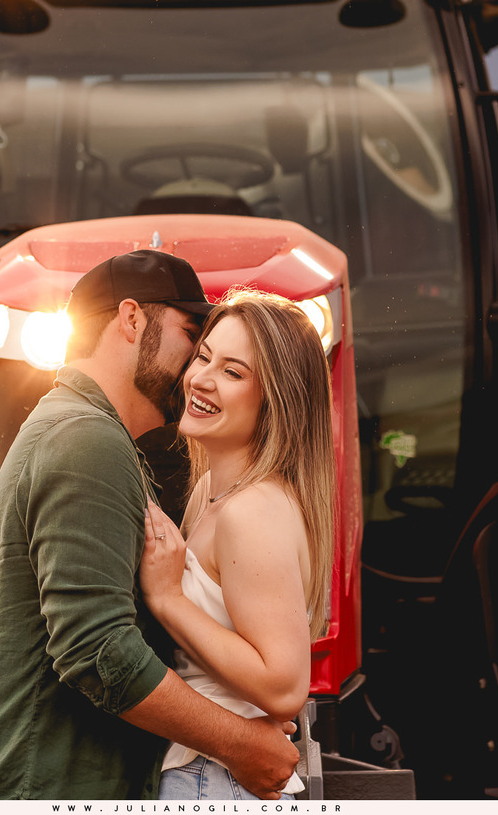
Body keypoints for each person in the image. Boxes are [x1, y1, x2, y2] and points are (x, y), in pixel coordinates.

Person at [0, 252, 300, 800]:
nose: (194, 370)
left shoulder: (79, 431)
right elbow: (97, 651)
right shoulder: (86, 439)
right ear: (131, 319)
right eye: (191, 337)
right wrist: (241, 744)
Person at [139, 287, 335, 800]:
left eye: (233, 372)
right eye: (203, 357)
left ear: (276, 402)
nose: (201, 379)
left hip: (216, 776)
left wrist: (168, 599)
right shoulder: (212, 491)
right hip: (206, 769)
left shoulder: (251, 512)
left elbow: (284, 687)